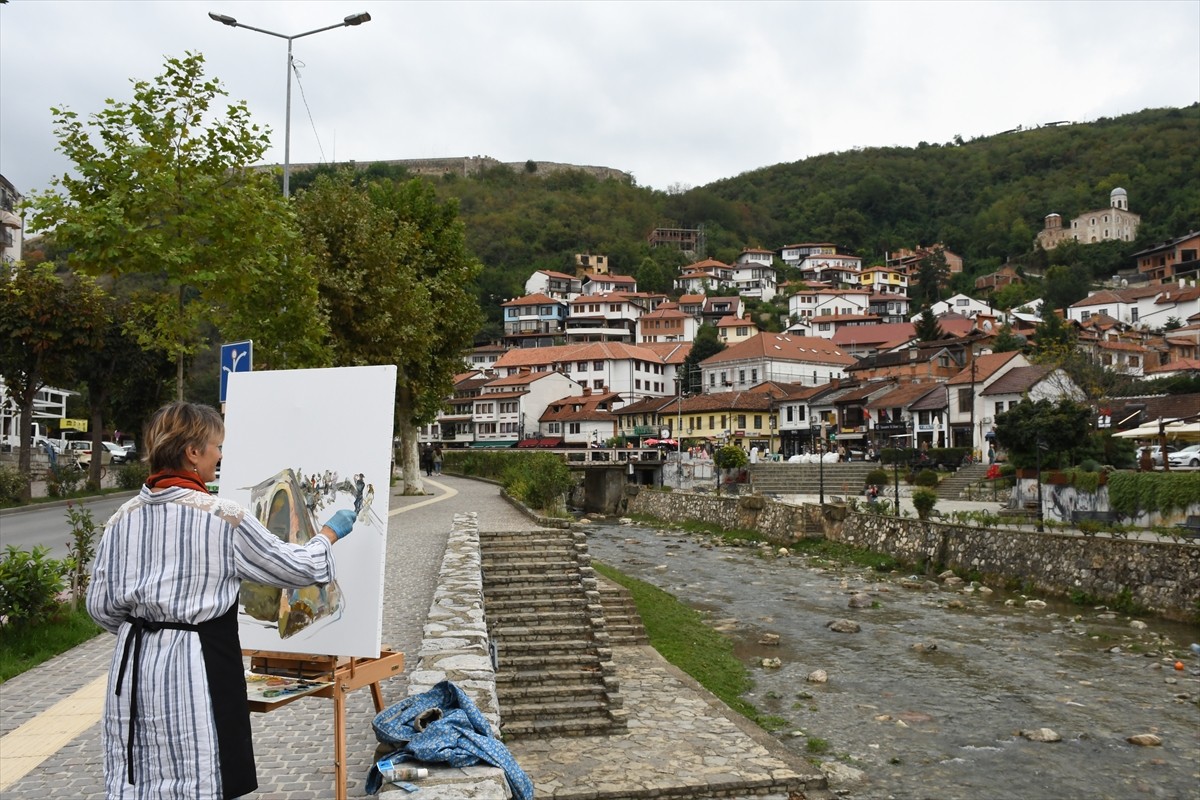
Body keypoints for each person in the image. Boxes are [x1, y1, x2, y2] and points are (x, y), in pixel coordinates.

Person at [86, 401, 355, 800]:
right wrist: (328, 535)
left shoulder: (121, 518)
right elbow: (294, 568)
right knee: (199, 769)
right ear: (192, 452)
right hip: (198, 661)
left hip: (134, 661)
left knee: (141, 771)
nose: (221, 455)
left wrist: (150, 628)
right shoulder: (221, 516)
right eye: (216, 445)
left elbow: (100, 606)